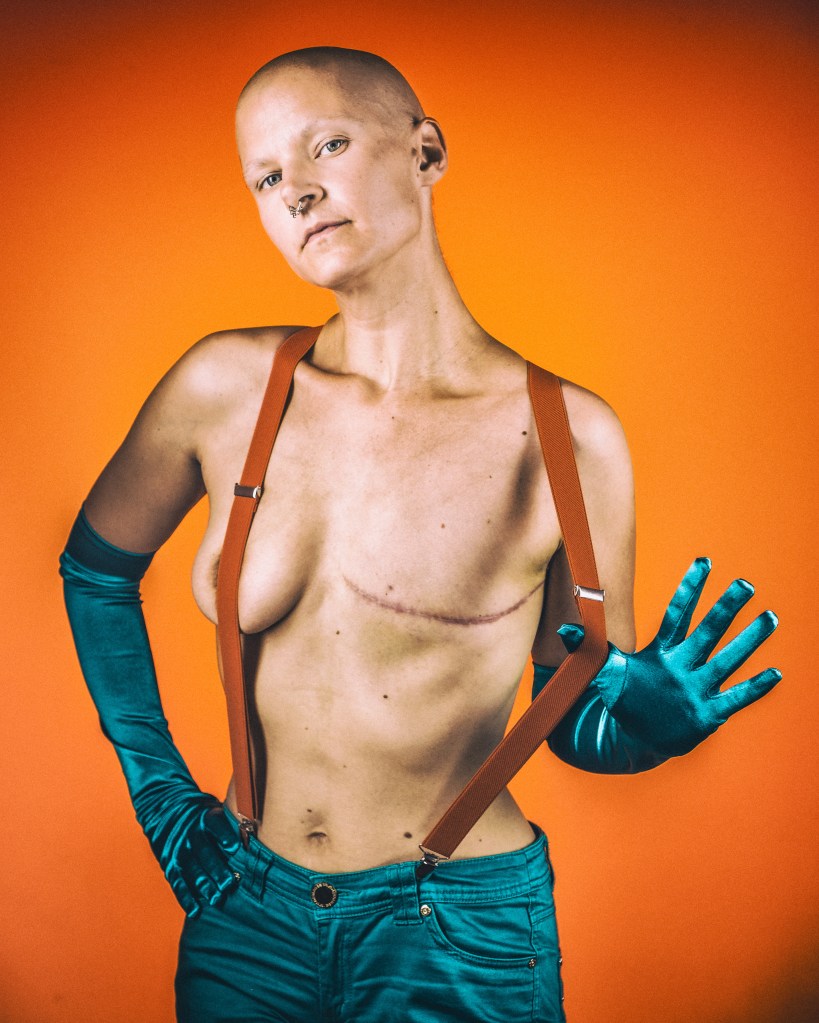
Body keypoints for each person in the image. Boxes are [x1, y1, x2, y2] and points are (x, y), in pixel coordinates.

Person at [60, 47, 781, 1023]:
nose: (297, 190)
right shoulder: (223, 388)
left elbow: (574, 710)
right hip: (245, 918)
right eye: (266, 178)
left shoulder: (567, 442)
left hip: (458, 935)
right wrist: (159, 795)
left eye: (326, 146)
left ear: (426, 152)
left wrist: (637, 736)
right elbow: (96, 571)